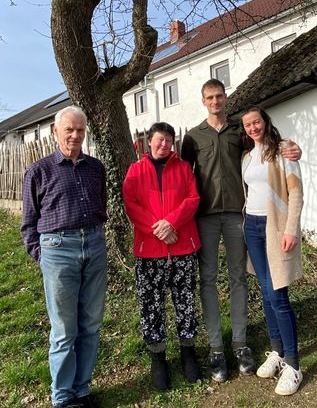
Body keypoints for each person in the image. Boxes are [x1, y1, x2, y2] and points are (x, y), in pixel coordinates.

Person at [181, 79, 301, 382]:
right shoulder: (193, 137)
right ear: (203, 100)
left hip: (239, 216)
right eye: (210, 97)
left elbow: (268, 150)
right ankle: (216, 348)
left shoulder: (240, 130)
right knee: (207, 280)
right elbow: (181, 175)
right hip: (206, 217)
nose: (215, 101)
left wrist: (294, 149)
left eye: (220, 96)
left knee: (239, 278)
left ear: (225, 98)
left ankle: (240, 343)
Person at [21, 106, 108, 408]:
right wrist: (43, 256)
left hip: (94, 246)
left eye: (80, 130)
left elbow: (102, 206)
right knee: (63, 330)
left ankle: (82, 390)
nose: (75, 135)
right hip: (58, 250)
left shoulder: (96, 168)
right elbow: (28, 224)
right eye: (69, 129)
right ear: (55, 132)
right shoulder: (38, 171)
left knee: (90, 324)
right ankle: (62, 398)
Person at [122, 122, 202, 391]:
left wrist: (171, 223)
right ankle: (158, 358)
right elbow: (131, 203)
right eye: (159, 139)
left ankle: (188, 352)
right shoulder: (135, 171)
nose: (164, 144)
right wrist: (157, 229)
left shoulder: (183, 169)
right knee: (151, 306)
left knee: (186, 302)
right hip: (150, 251)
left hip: (182, 247)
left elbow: (192, 199)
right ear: (149, 141)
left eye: (169, 140)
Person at [241, 105, 304, 396]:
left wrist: (291, 229)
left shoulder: (283, 150)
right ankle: (277, 351)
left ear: (265, 122)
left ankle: (293, 364)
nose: (253, 128)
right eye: (248, 125)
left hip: (275, 227)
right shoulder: (247, 157)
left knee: (278, 294)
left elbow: (296, 192)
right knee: (266, 292)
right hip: (252, 227)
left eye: (256, 122)